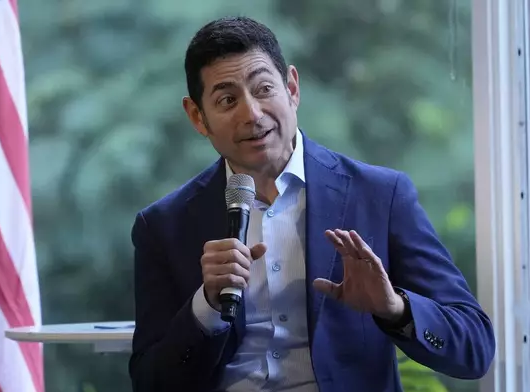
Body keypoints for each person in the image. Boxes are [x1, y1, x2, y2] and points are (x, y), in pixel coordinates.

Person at [128, 16, 496, 392]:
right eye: (227, 99)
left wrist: (395, 308)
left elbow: (475, 348)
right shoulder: (163, 226)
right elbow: (150, 381)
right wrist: (205, 306)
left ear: (292, 88)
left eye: (264, 89)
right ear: (197, 117)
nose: (252, 114)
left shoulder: (379, 196)